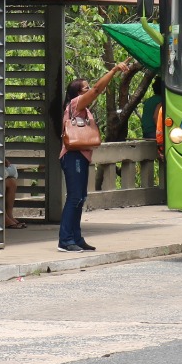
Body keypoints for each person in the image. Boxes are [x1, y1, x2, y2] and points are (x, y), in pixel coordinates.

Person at [57, 60, 134, 253]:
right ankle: (65, 240)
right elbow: (99, 88)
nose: (90, 90)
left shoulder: (84, 109)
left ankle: (76, 237)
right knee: (74, 197)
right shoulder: (76, 104)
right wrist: (115, 70)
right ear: (78, 93)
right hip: (72, 156)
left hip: (81, 157)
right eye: (86, 88)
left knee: (80, 197)